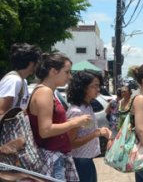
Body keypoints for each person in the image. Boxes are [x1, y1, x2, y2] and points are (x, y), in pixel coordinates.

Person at [27, 53, 91, 181]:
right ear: (53, 71)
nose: (70, 77)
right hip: (52, 159)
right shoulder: (44, 92)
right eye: (67, 72)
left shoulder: (48, 91)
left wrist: (70, 121)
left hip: (56, 157)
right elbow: (46, 131)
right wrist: (75, 122)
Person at [66, 70, 112, 182]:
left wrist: (100, 131)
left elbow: (86, 130)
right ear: (83, 88)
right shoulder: (77, 111)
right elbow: (71, 143)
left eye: (98, 85)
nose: (98, 89)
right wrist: (96, 133)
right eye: (94, 86)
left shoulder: (88, 106)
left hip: (88, 160)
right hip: (80, 162)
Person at [0, 43, 41, 115]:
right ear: (31, 63)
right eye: (37, 62)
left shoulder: (23, 81)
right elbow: (2, 111)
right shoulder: (14, 80)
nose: (38, 65)